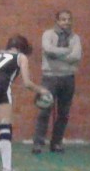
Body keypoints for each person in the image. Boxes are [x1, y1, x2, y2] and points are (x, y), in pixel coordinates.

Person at [0, 34, 49, 171]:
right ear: (23, 48)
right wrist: (41, 90)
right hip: (1, 88)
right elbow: (27, 83)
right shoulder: (21, 57)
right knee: (5, 128)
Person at [32, 9, 81, 154]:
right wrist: (67, 51)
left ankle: (56, 143)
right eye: (63, 19)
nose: (66, 22)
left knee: (63, 113)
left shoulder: (75, 38)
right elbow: (48, 50)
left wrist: (56, 55)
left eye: (69, 19)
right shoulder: (48, 34)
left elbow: (76, 56)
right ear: (57, 21)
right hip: (50, 77)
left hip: (68, 78)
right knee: (44, 110)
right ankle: (38, 143)